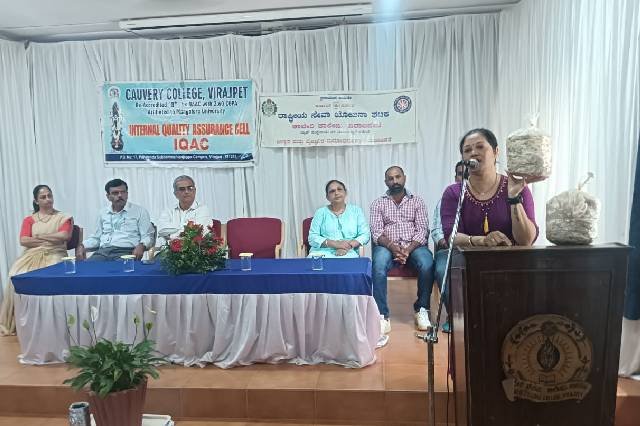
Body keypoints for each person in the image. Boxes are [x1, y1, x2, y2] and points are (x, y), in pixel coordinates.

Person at [440, 128, 538, 249]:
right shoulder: (454, 193)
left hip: (513, 260)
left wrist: (514, 198)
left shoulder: (517, 187)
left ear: (496, 152)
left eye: (480, 147)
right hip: (469, 260)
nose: (473, 153)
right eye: (467, 150)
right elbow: (451, 237)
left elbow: (526, 240)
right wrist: (482, 240)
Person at [370, 166, 435, 335]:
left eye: (398, 177)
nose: (395, 181)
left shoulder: (417, 201)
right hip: (387, 246)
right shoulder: (378, 203)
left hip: (414, 246)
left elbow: (422, 230)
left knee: (427, 263)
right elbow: (376, 232)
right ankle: (382, 315)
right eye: (390, 178)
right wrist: (393, 247)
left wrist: (407, 249)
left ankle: (422, 309)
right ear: (386, 182)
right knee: (377, 265)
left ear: (404, 178)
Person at [0, 185, 73, 335]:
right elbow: (24, 240)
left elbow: (64, 236)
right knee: (16, 273)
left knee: (50, 273)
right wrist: (50, 238)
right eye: (43, 197)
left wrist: (39, 236)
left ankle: (51, 322)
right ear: (36, 201)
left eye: (49, 196)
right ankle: (23, 322)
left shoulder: (63, 217)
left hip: (56, 253)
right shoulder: (29, 220)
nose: (48, 199)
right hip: (31, 254)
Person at [76, 179, 152, 261]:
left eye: (123, 192)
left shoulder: (140, 211)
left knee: (119, 268)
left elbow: (147, 236)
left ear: (127, 194)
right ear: (108, 197)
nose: (120, 195)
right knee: (87, 267)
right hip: (102, 253)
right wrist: (82, 246)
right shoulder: (102, 213)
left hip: (126, 252)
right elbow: (96, 238)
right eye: (115, 193)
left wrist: (141, 245)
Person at [431, 161, 464, 333]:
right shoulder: (447, 198)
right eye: (460, 174)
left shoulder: (483, 198)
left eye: (467, 174)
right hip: (449, 248)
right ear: (455, 177)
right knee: (441, 270)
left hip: (475, 250)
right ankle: (453, 316)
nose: (463, 178)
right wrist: (447, 241)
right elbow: (436, 230)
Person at [308, 180, 370, 258]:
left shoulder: (356, 211)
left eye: (339, 189)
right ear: (327, 197)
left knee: (348, 262)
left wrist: (347, 246)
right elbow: (312, 237)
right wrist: (335, 244)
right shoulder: (320, 212)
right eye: (332, 191)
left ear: (345, 192)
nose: (336, 193)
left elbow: (365, 234)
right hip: (323, 251)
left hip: (349, 251)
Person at [156, 175, 212, 246]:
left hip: (195, 249)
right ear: (175, 194)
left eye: (190, 188)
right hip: (169, 250)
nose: (186, 191)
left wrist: (170, 234)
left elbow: (194, 234)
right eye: (182, 189)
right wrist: (183, 230)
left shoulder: (202, 209)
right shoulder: (168, 211)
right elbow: (161, 230)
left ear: (195, 191)